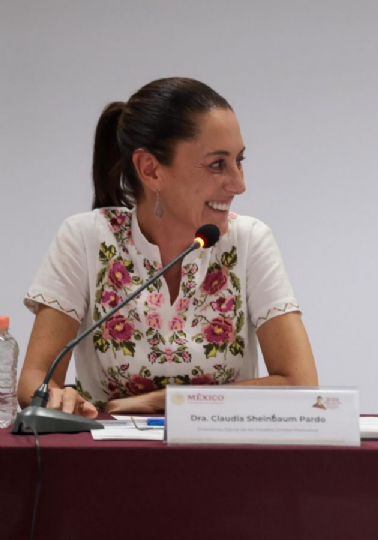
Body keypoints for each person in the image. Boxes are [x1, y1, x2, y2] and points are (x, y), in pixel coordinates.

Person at [17, 77, 319, 417]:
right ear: (151, 170)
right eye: (218, 164)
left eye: (240, 161)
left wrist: (165, 401)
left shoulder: (249, 241)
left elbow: (300, 385)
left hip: (226, 463)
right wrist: (59, 398)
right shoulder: (85, 238)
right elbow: (35, 382)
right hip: (105, 464)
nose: (239, 184)